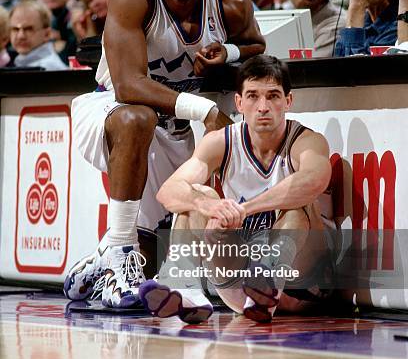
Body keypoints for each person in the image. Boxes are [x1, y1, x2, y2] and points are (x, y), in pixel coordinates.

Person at [64, 0, 265, 310]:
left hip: (173, 124)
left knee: (153, 257)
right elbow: (128, 86)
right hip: (110, 109)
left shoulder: (232, 4)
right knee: (137, 117)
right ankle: (119, 254)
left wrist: (230, 52)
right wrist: (205, 109)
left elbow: (258, 43)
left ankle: (100, 262)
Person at [139, 54, 334, 324]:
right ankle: (187, 287)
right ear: (239, 103)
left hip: (301, 284)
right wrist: (207, 205)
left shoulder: (306, 141)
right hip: (239, 281)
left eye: (273, 96)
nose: (263, 106)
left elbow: (315, 180)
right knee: (196, 196)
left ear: (288, 101)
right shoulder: (220, 142)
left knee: (298, 204)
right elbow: (168, 191)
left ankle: (268, 281)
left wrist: (244, 209)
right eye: (253, 96)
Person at [9, 0, 67, 70]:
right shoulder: (21, 61)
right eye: (15, 29)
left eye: (29, 29)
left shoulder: (49, 68)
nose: (21, 36)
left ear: (47, 34)